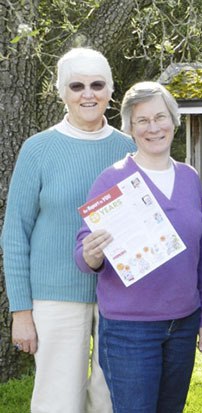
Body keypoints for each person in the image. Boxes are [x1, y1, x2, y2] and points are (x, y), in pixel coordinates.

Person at [1, 47, 135, 413]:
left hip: (120, 295)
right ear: (62, 92)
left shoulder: (131, 150)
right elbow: (15, 234)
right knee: (58, 399)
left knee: (112, 399)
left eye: (97, 84)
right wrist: (21, 312)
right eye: (77, 85)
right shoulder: (38, 150)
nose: (87, 94)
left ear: (110, 90)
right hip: (55, 295)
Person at [74, 81, 202, 413]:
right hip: (129, 330)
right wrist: (91, 255)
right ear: (130, 128)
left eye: (160, 117)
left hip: (183, 324)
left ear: (174, 121)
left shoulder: (189, 178)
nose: (154, 128)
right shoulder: (111, 180)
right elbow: (83, 253)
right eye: (142, 120)